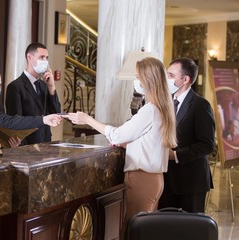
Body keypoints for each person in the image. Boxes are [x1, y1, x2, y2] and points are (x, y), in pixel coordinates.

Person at [65, 57, 177, 221]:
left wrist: (87, 120)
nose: (136, 81)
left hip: (142, 179)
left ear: (148, 80)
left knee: (134, 234)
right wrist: (130, 145)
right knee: (142, 231)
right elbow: (150, 142)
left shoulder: (150, 110)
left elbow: (117, 134)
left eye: (138, 77)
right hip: (155, 179)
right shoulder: (162, 108)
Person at [158, 58, 216, 213]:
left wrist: (176, 155)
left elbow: (207, 144)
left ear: (185, 79)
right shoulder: (167, 102)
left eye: (170, 75)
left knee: (189, 231)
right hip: (167, 178)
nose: (166, 79)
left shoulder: (200, 105)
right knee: (166, 227)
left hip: (191, 180)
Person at [5, 42, 61, 145]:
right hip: (27, 145)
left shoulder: (44, 85)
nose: (45, 61)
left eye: (46, 58)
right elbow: (15, 121)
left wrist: (51, 87)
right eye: (41, 57)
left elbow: (56, 113)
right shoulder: (15, 87)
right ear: (30, 57)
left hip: (46, 143)